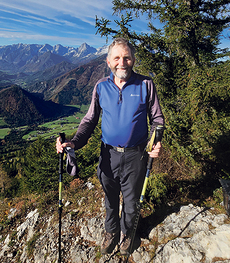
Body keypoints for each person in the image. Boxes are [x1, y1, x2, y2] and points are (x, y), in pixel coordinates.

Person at [56, 37, 164, 255]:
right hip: (108, 155)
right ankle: (111, 231)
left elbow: (157, 119)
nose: (121, 62)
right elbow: (89, 120)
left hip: (136, 155)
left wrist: (156, 141)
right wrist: (74, 142)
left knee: (132, 202)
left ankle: (127, 234)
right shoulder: (101, 87)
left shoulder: (145, 85)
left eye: (126, 58)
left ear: (133, 60)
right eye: (117, 58)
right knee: (110, 198)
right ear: (108, 61)